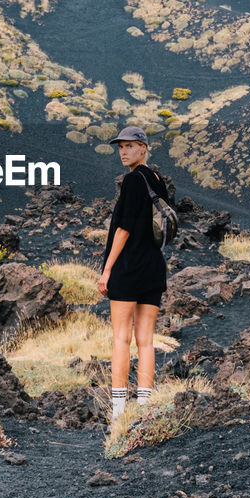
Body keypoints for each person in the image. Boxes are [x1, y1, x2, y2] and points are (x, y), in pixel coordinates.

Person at [98, 125, 171, 420]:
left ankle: (118, 412)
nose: (124, 152)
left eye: (130, 146)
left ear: (144, 148)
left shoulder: (132, 181)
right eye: (120, 147)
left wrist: (107, 270)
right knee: (146, 340)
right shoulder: (157, 180)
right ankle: (144, 408)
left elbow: (124, 228)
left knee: (120, 338)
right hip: (153, 268)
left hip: (128, 268)